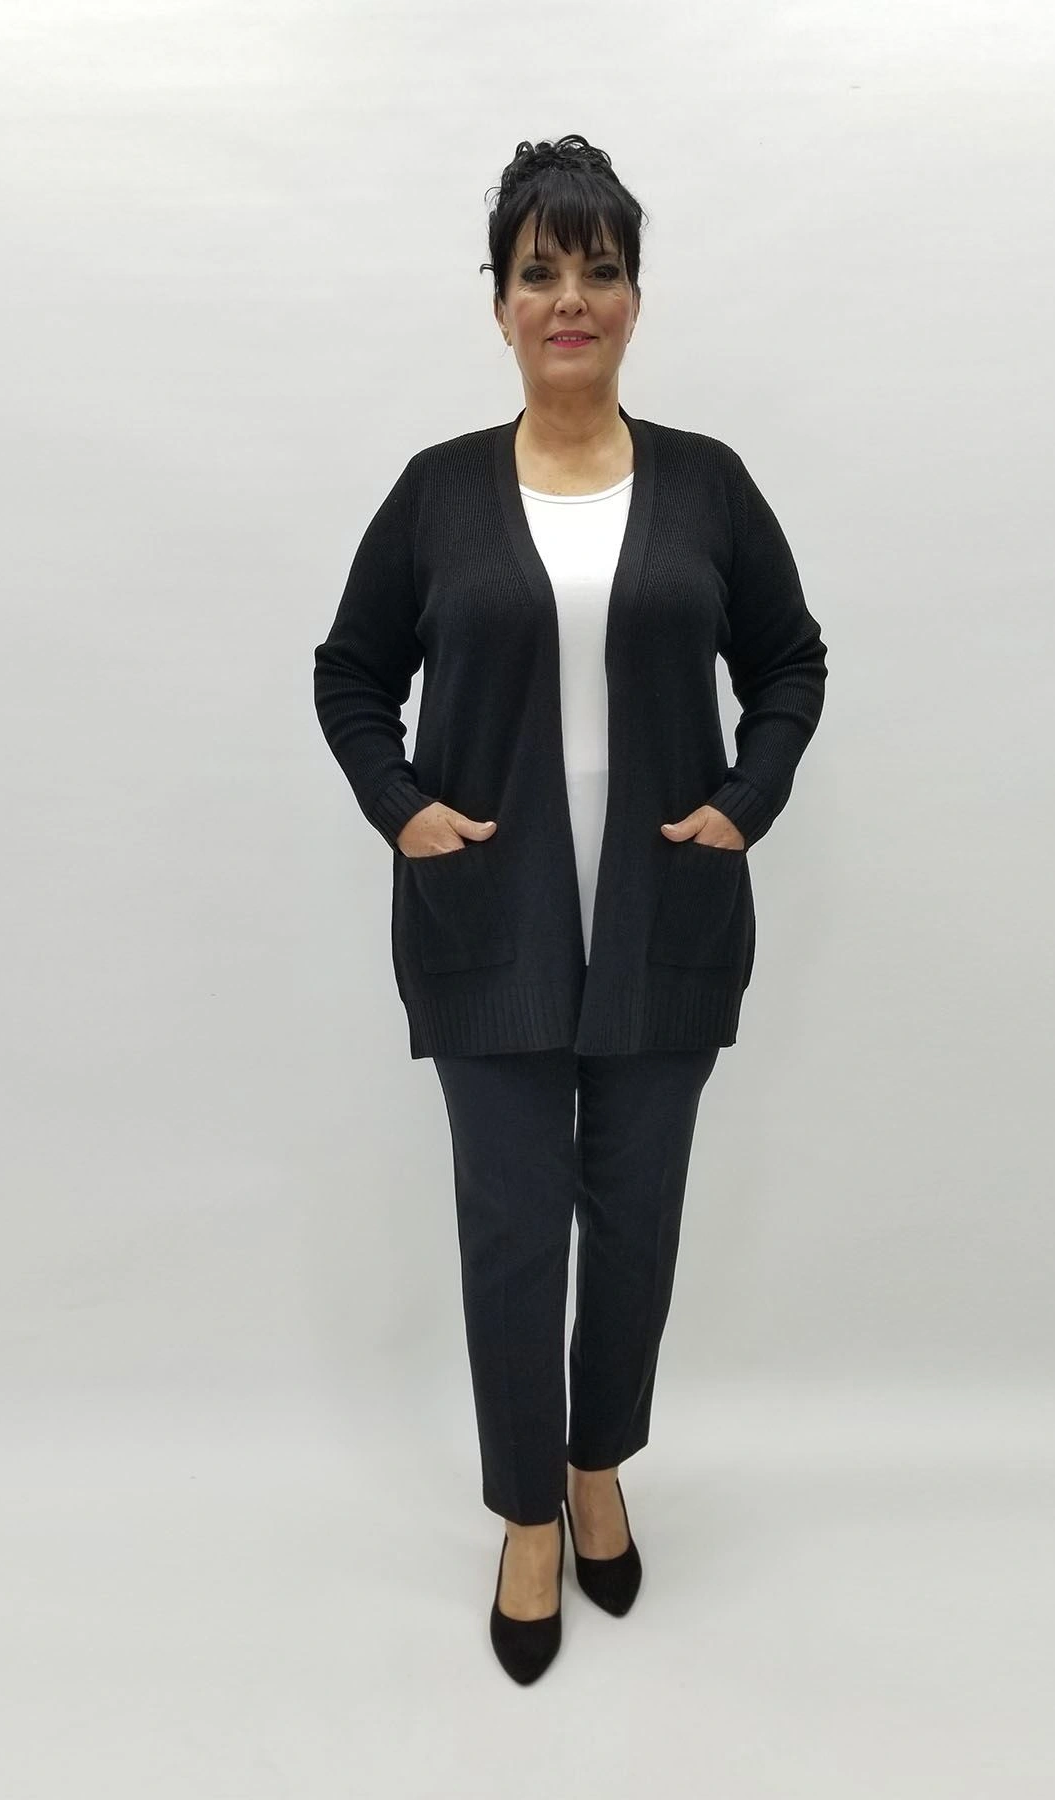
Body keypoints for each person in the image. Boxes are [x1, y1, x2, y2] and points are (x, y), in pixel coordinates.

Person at [312, 133, 828, 1682]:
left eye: (600, 269)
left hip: (670, 925)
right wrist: (404, 808)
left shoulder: (709, 485)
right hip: (489, 930)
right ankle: (525, 1514)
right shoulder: (438, 495)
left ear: (635, 298)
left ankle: (600, 1467)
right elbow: (351, 674)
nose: (570, 298)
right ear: (499, 302)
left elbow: (789, 662)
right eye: (539, 270)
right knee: (513, 1230)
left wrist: (745, 800)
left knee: (639, 1222)